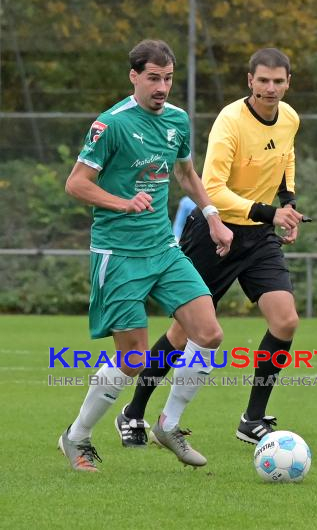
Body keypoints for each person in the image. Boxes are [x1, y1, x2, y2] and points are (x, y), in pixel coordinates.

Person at [115, 47, 305, 453]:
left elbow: (286, 158)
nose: (271, 88)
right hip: (214, 232)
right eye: (263, 81)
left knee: (285, 320)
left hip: (258, 237)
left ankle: (252, 419)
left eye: (278, 81)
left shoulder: (289, 117)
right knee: (184, 332)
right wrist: (270, 212)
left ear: (288, 82)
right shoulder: (230, 121)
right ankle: (133, 412)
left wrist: (286, 203)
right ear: (249, 80)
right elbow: (213, 188)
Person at [58, 39, 233, 472]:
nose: (162, 87)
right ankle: (76, 437)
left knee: (209, 333)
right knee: (133, 359)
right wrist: (122, 202)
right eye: (153, 77)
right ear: (134, 76)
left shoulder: (177, 121)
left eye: (168, 78)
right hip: (118, 253)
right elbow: (76, 183)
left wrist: (212, 216)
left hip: (163, 249)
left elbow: (186, 173)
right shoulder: (110, 125)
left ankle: (168, 425)